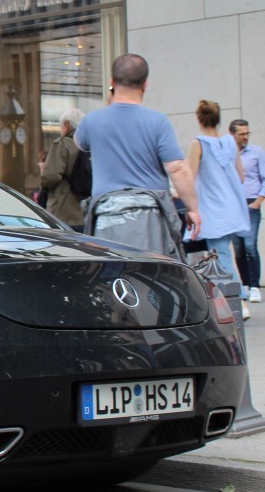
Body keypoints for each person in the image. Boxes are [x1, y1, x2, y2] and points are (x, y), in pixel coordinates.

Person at [74, 54, 200, 256]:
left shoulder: (92, 121)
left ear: (112, 83)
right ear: (145, 84)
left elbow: (81, 144)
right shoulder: (158, 122)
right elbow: (177, 168)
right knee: (151, 277)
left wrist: (109, 103)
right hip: (150, 217)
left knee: (111, 277)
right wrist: (192, 208)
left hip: (106, 216)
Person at [188, 101, 251, 318]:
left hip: (212, 207)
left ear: (199, 119)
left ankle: (238, 301)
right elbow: (241, 176)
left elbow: (190, 176)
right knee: (220, 253)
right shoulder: (229, 143)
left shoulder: (198, 144)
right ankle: (224, 300)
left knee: (220, 254)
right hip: (231, 205)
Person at [229, 119, 265, 303]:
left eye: (247, 133)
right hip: (233, 205)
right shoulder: (227, 153)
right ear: (233, 135)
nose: (245, 137)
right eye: (242, 134)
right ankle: (245, 284)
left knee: (250, 246)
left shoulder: (256, 153)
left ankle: (255, 286)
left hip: (251, 203)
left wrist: (258, 201)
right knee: (238, 248)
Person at [38, 108, 85, 231]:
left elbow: (50, 176)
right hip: (83, 211)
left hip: (63, 210)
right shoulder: (86, 145)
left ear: (67, 125)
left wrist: (44, 174)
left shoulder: (62, 144)